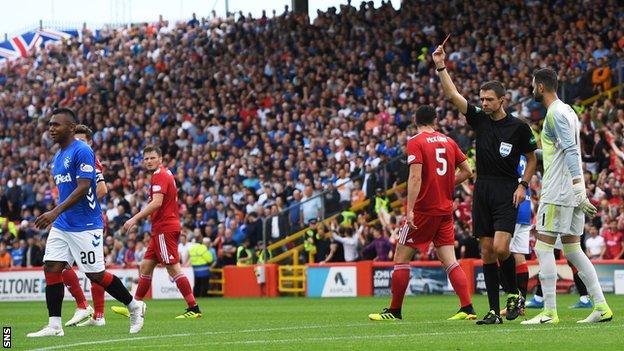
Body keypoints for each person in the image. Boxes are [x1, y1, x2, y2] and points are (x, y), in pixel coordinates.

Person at [433, 43, 537, 324]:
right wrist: (441, 65)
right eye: (482, 98)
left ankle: (514, 294)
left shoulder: (518, 127)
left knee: (503, 248)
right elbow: (453, 95)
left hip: (507, 189)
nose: (485, 102)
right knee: (487, 251)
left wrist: (523, 185)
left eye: (489, 99)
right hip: (483, 189)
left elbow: (531, 159)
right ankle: (493, 310)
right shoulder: (479, 120)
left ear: (502, 100)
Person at [27, 108, 145, 337]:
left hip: (86, 225)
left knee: (96, 275)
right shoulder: (58, 155)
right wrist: (58, 215)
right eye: (50, 124)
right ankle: (54, 326)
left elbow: (83, 188)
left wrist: (54, 212)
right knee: (51, 266)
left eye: (57, 125)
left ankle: (134, 306)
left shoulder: (82, 150)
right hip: (63, 224)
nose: (51, 128)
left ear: (71, 128)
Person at [521, 68, 613, 324]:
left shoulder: (554, 114)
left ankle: (549, 311)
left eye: (532, 85)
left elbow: (572, 151)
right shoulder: (568, 111)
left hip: (559, 191)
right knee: (573, 250)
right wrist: (530, 154)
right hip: (570, 191)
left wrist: (577, 187)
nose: (531, 90)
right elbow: (560, 152)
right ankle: (601, 306)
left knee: (543, 247)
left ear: (540, 87)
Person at [368, 105, 475, 321]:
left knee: (401, 257)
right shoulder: (448, 141)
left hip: (425, 209)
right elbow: (468, 171)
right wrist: (445, 186)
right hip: (444, 209)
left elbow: (415, 178)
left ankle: (395, 311)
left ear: (415, 120)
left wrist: (409, 210)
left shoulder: (415, 141)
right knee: (449, 260)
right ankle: (467, 308)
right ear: (435, 120)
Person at [112, 145, 201, 319]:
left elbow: (157, 203)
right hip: (161, 228)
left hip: (164, 228)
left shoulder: (159, 175)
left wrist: (134, 218)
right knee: (145, 266)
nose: (149, 161)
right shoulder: (164, 174)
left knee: (173, 268)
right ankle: (135, 306)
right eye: (146, 159)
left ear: (160, 159)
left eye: (153, 158)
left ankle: (194, 308)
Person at [61, 124, 109, 327]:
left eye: (82, 140)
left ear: (89, 142)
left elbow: (102, 189)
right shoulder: (70, 160)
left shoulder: (91, 159)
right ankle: (83, 306)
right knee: (60, 265)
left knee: (93, 270)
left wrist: (84, 207)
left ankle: (98, 315)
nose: (78, 144)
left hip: (88, 222)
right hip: (71, 222)